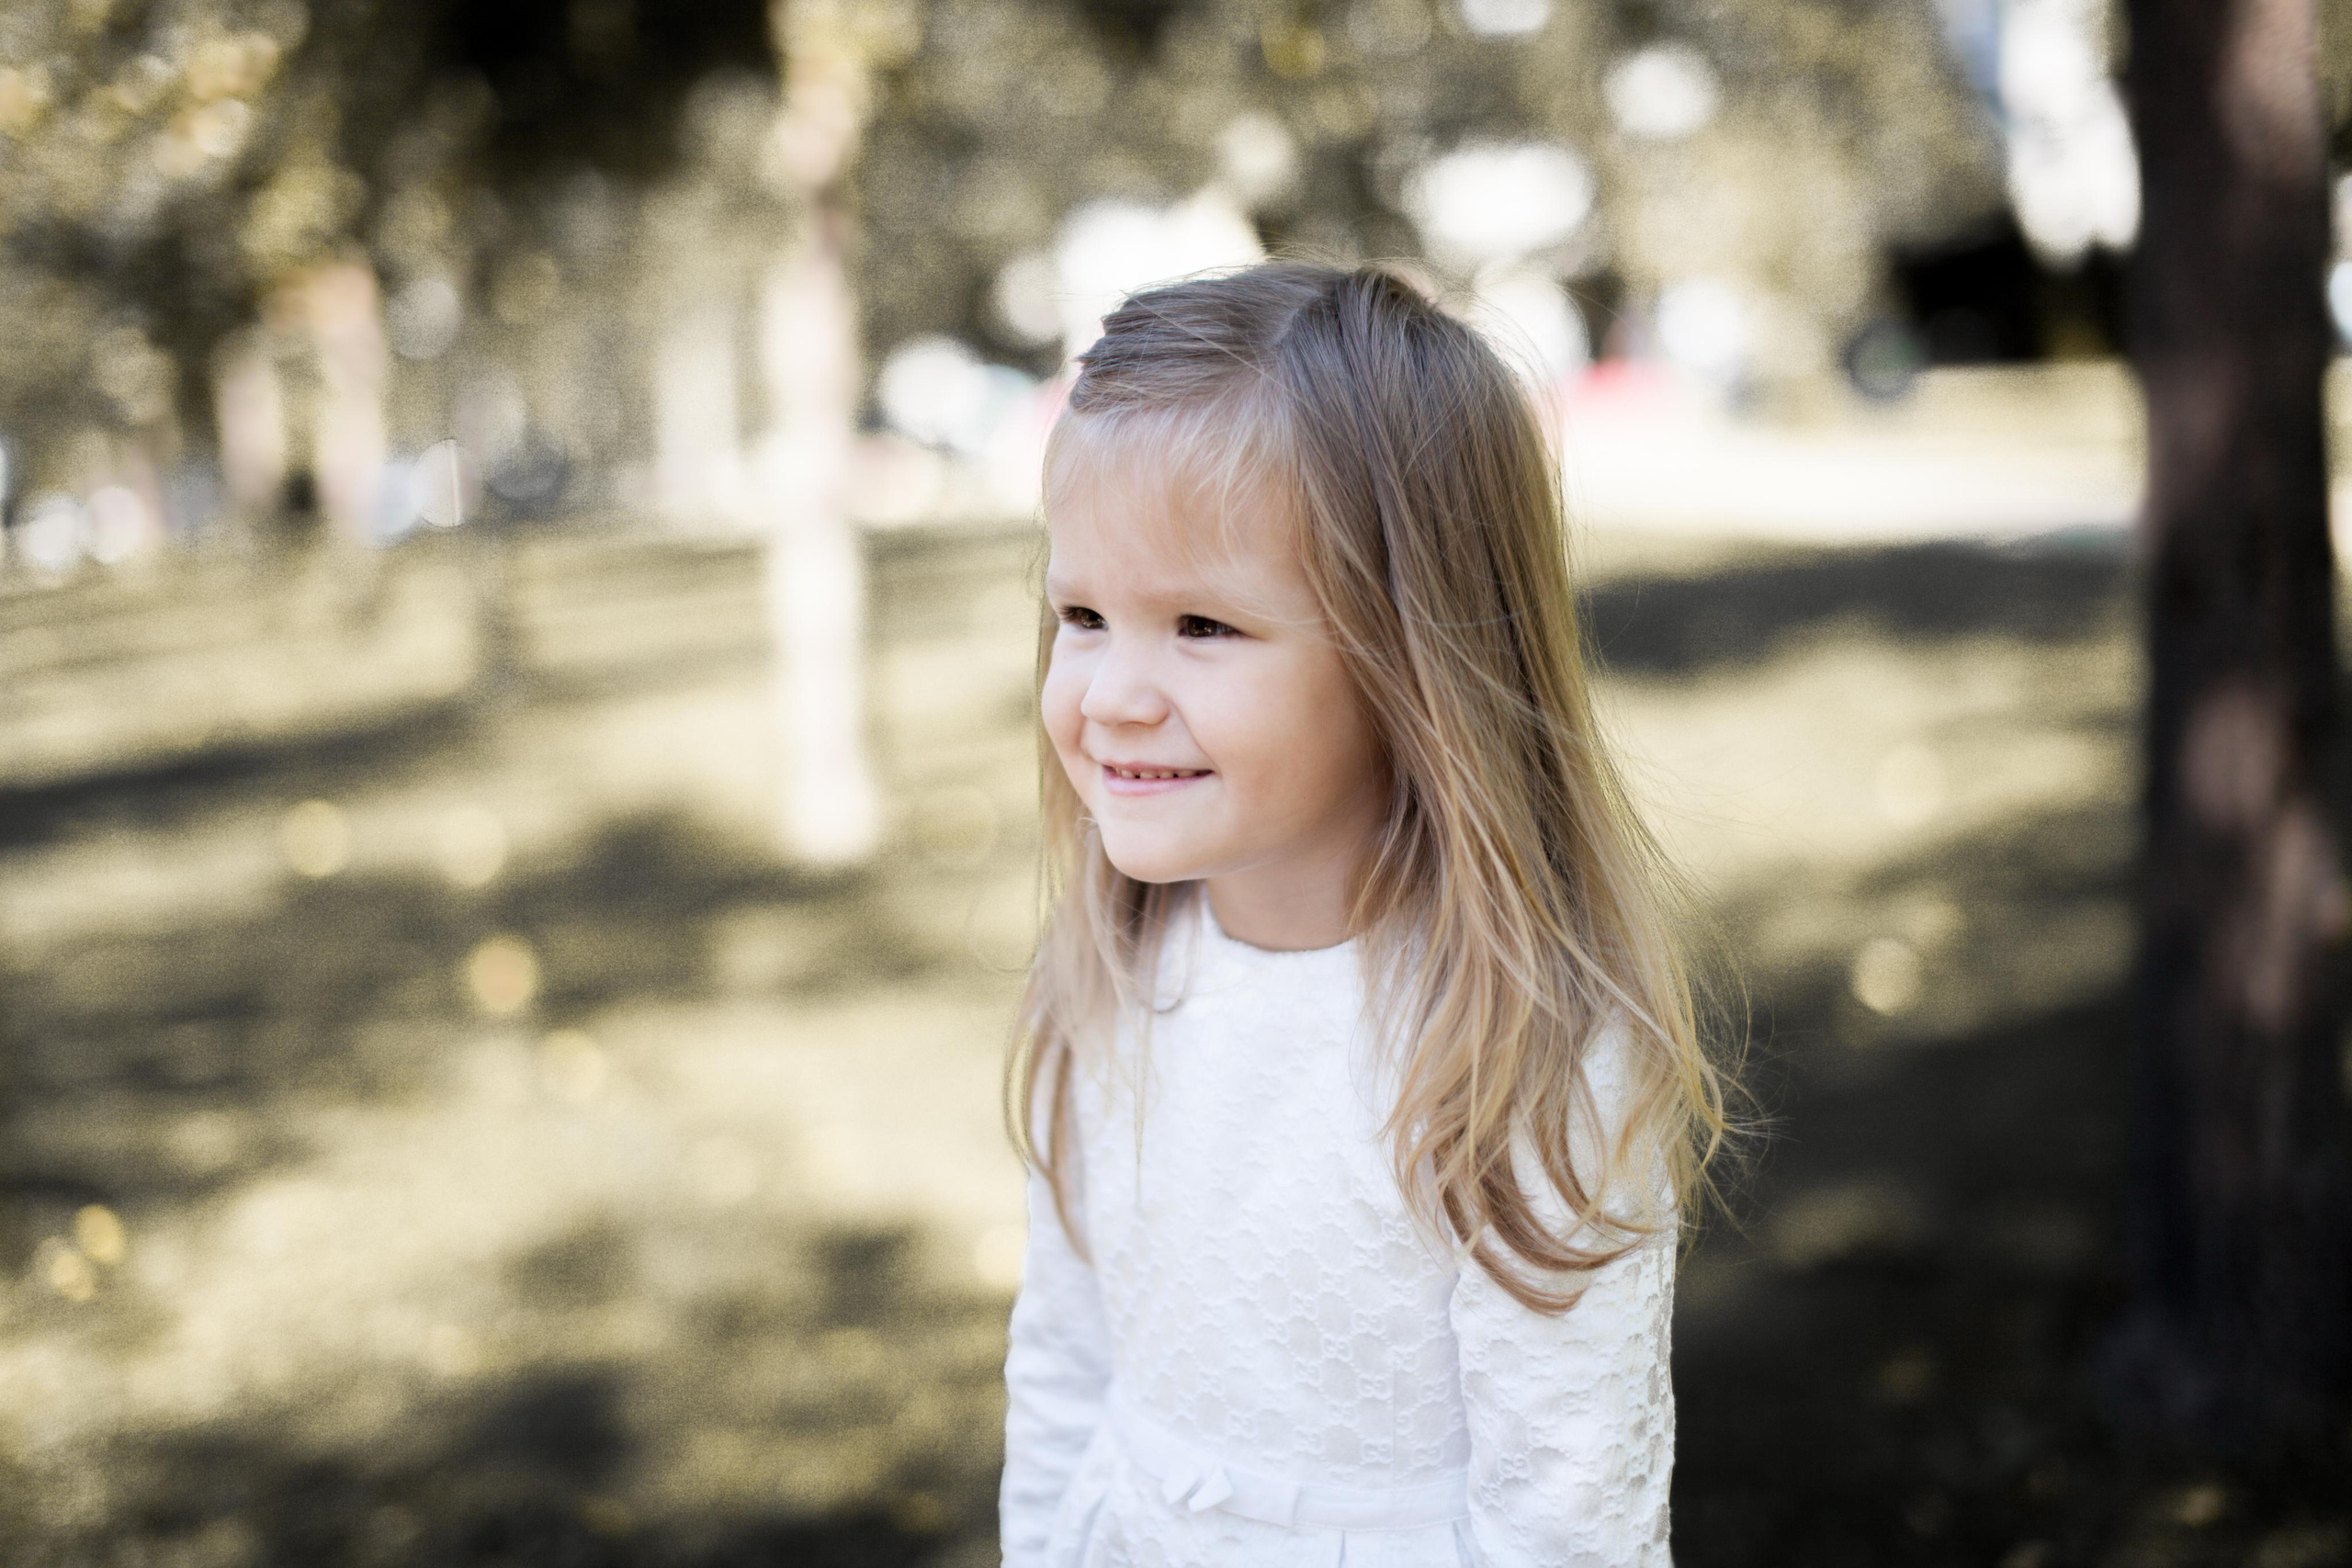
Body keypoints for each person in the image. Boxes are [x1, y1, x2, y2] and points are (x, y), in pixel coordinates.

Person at [1000, 261, 1737, 1568]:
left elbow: (1569, 1525)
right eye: (1081, 615)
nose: (1112, 692)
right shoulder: (1113, 974)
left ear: (1416, 656)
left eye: (1203, 625)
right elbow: (1064, 1370)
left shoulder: (1515, 1053)